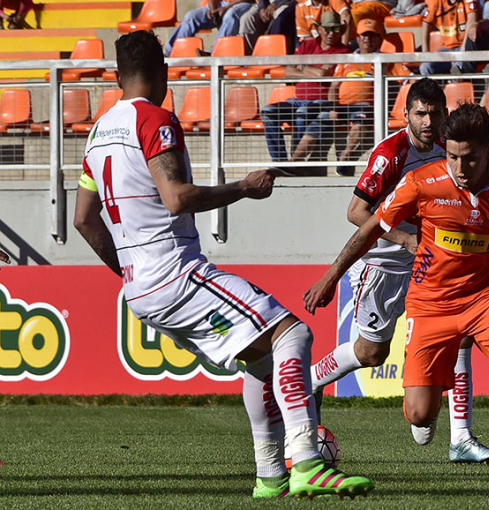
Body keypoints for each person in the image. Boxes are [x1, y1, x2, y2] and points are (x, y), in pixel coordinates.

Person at [73, 30, 373, 499]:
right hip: (175, 272)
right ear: (165, 74)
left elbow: (84, 221)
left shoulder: (96, 134)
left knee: (260, 358)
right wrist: (244, 189)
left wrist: (133, 274)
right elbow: (176, 199)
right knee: (292, 334)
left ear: (115, 77)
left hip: (140, 289)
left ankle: (270, 475)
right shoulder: (154, 120)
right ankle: (308, 461)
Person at [303, 102, 489, 488]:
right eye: (453, 156)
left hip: (484, 296)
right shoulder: (421, 182)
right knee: (419, 416)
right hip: (430, 304)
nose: (460, 168)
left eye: (470, 158)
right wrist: (330, 276)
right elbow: (369, 228)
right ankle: (433, 398)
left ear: (488, 150)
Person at [310, 78, 489, 464]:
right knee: (372, 353)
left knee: (461, 336)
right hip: (384, 264)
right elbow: (356, 212)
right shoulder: (390, 154)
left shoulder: (449, 150)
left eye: (435, 113)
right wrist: (404, 240)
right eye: (421, 114)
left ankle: (461, 439)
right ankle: (312, 379)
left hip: (432, 265)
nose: (428, 121)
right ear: (406, 115)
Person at [260, 11, 351, 175]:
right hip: (297, 99)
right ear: (319, 29)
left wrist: (302, 67)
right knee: (268, 111)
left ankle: (295, 165)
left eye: (336, 29)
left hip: (322, 102)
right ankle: (281, 164)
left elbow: (325, 75)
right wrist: (311, 70)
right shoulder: (308, 45)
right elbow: (288, 71)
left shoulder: (344, 52)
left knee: (303, 112)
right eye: (327, 29)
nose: (331, 33)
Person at [327, 19, 414, 176]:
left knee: (359, 124)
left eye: (373, 36)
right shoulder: (347, 59)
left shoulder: (386, 60)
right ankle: (296, 166)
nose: (368, 39)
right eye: (364, 35)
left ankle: (344, 158)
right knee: (314, 120)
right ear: (358, 38)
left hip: (365, 107)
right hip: (341, 107)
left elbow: (410, 77)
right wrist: (333, 108)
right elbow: (333, 87)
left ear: (379, 39)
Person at [164, 0, 255, 56]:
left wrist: (226, 8)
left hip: (243, 3)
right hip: (221, 3)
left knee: (230, 15)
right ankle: (172, 52)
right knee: (191, 16)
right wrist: (212, 9)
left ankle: (214, 52)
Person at [419, 0, 481, 76]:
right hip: (446, 49)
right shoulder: (436, 2)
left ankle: (455, 86)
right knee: (425, 67)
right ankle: (430, 87)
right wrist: (426, 53)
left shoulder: (469, 1)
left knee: (457, 68)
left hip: (465, 47)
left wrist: (463, 50)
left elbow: (472, 20)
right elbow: (426, 23)